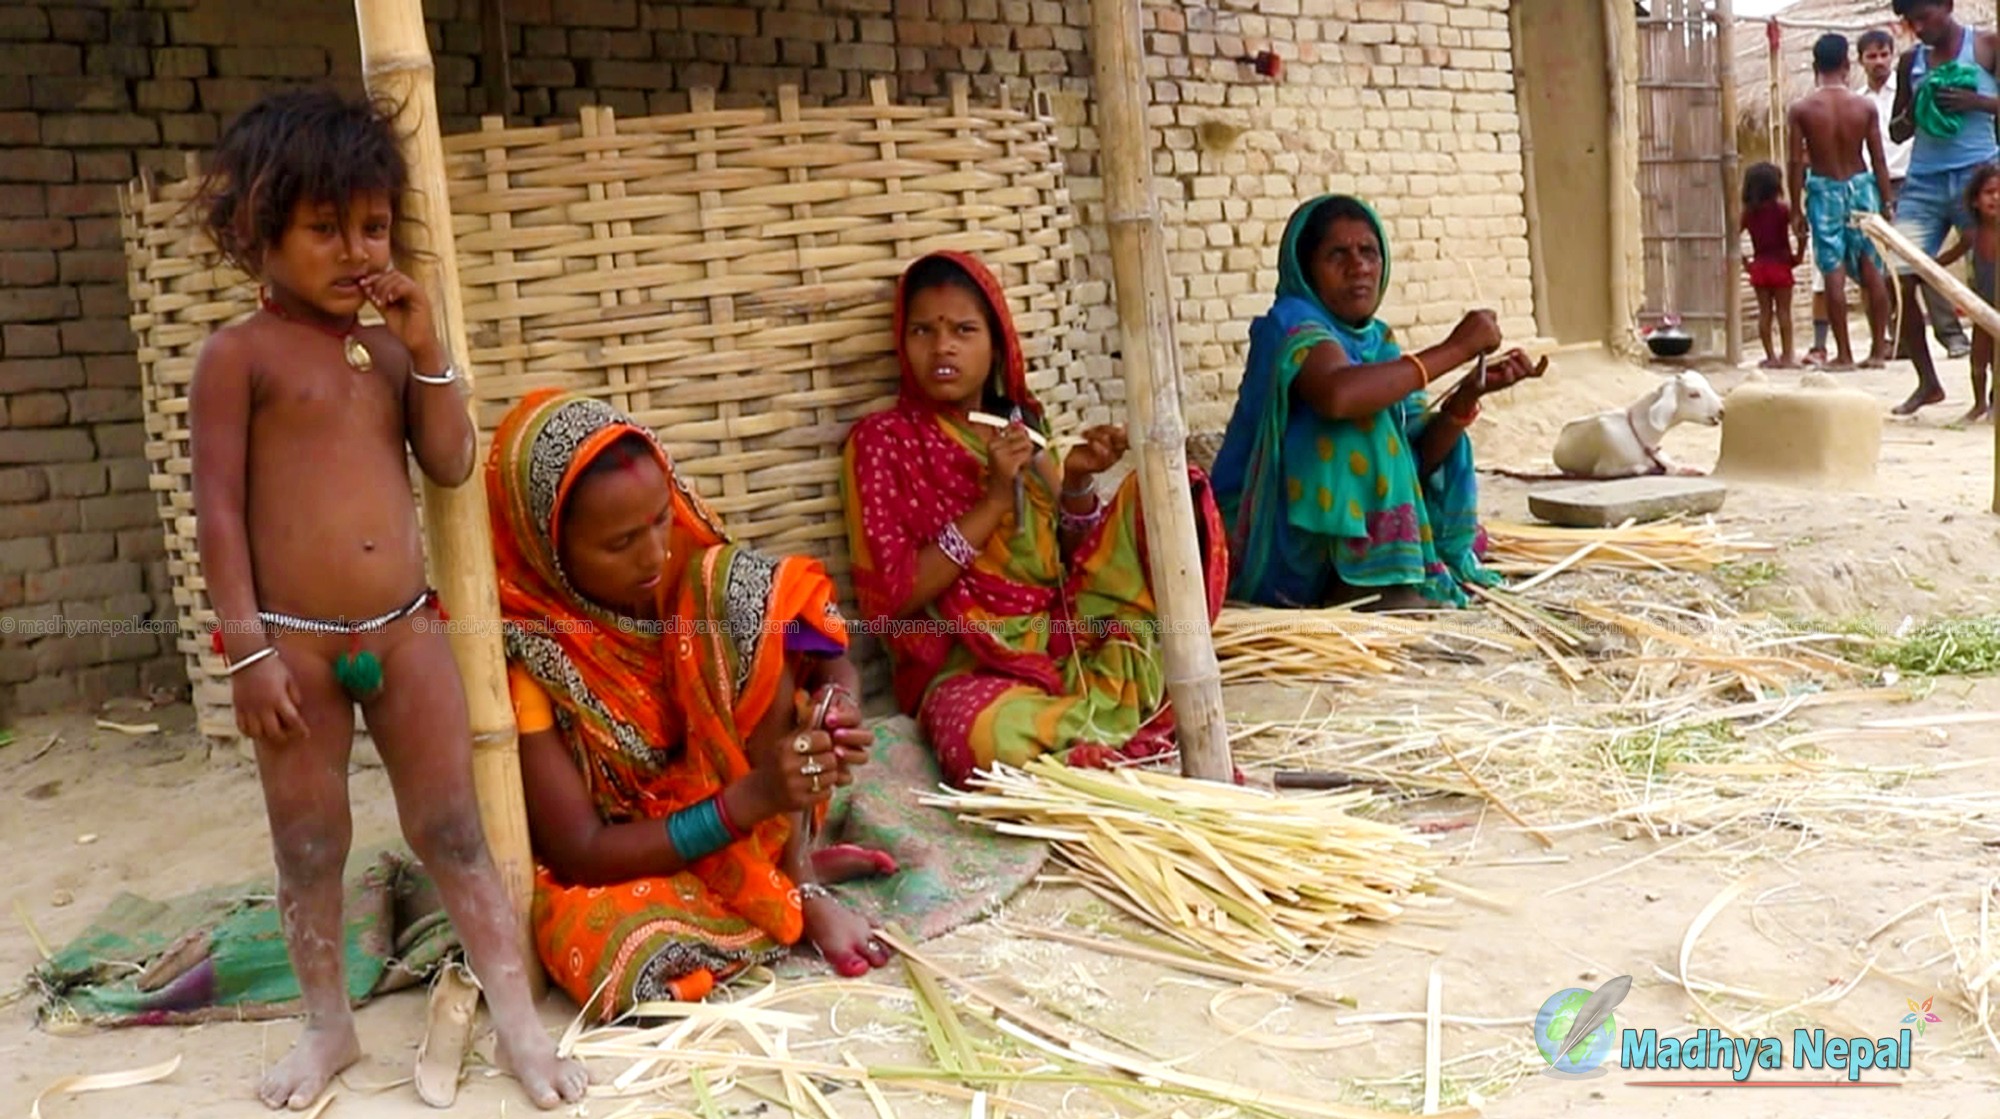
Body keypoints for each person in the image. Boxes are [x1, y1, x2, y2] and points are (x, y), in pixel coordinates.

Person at [187, 90, 585, 1110]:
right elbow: (221, 516)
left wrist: (431, 340)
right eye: (324, 229)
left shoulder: (393, 349)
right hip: (293, 645)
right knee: (309, 840)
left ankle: (516, 1025)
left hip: (404, 631)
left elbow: (450, 461)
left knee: (452, 828)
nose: (355, 249)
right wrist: (245, 650)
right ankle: (328, 1031)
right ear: (253, 233)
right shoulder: (238, 359)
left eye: (372, 226)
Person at [488, 390, 894, 1015]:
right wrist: (752, 800)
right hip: (642, 847)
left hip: (778, 805)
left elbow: (821, 645)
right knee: (616, 949)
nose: (654, 554)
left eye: (659, 519)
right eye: (620, 544)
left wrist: (836, 706)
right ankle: (778, 884)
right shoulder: (529, 652)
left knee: (735, 588)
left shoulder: (693, 569)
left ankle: (796, 875)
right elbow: (581, 852)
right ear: (547, 547)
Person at [840, 251, 1228, 787]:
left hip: (1060, 637)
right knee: (977, 738)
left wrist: (1076, 484)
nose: (942, 346)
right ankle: (1102, 729)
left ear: (996, 342)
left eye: (963, 330)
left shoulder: (1022, 426)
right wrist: (995, 502)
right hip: (971, 668)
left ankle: (1112, 704)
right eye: (923, 331)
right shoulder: (883, 442)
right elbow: (891, 598)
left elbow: (1071, 558)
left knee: (1170, 489)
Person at [1208, 194, 1545, 613]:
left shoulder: (1377, 341)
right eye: (1338, 254)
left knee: (1433, 436)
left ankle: (1371, 576)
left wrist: (1466, 395)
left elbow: (1412, 459)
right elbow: (1339, 395)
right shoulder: (1289, 323)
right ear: (1307, 269)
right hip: (1260, 538)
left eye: (1369, 251)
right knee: (1355, 419)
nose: (1359, 266)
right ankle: (1372, 585)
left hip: (1320, 547)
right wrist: (1456, 348)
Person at [1887, 0, 2000, 413]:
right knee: (1899, 278)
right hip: (1924, 183)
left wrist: (1977, 104)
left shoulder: (1987, 46)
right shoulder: (1911, 62)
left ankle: (1994, 389)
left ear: (1947, 7)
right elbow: (1896, 131)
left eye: (1924, 18)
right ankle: (1927, 382)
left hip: (1982, 178)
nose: (1918, 28)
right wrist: (1917, 110)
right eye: (1910, 22)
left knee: (1991, 283)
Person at [1862, 26, 1973, 360]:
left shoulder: (1911, 84)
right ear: (1861, 61)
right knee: (1897, 270)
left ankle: (1951, 335)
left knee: (1926, 265)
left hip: (1919, 180)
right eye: (1872, 56)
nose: (1880, 62)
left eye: (1884, 54)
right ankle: (1904, 341)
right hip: (1880, 185)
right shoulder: (1860, 101)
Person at [1788, 32, 1896, 369]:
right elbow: (1878, 159)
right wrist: (1887, 202)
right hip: (1862, 186)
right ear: (1848, 66)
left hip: (1823, 190)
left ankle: (1845, 354)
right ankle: (1878, 352)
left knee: (1832, 271)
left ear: (1814, 67)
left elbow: (1794, 163)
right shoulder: (1863, 106)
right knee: (1872, 266)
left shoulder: (1802, 108)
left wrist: (1795, 208)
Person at [1935, 162, 2000, 421]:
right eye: (1989, 192)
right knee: (1978, 359)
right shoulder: (1972, 235)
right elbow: (1950, 256)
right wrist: (1927, 266)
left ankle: (1996, 403)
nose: (1996, 197)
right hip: (1981, 306)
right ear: (1975, 201)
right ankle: (1978, 403)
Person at [1740, 161, 1804, 368]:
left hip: (1759, 266)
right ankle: (1787, 355)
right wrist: (1799, 255)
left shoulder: (1748, 214)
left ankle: (1770, 356)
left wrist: (1745, 263)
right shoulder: (1782, 210)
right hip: (1780, 265)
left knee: (1764, 313)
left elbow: (1732, 240)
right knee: (1784, 312)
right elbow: (1800, 232)